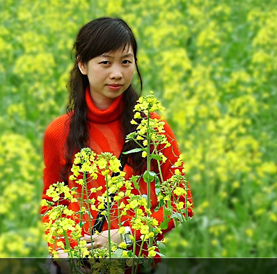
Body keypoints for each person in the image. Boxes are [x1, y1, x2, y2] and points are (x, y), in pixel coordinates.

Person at [41, 17, 193, 274]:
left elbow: (181, 202)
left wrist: (126, 236)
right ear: (82, 65)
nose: (117, 73)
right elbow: (51, 204)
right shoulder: (59, 132)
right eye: (105, 62)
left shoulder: (152, 128)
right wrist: (63, 254)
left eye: (126, 61)